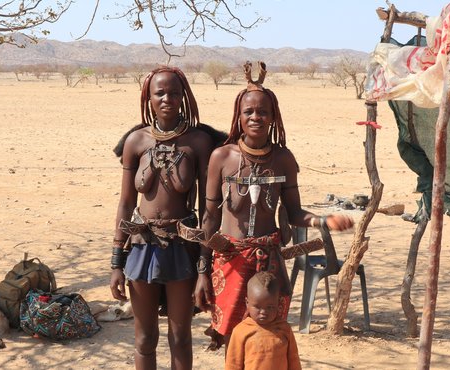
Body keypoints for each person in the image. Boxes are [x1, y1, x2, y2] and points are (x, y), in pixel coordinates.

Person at [194, 61, 354, 350]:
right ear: (238, 117)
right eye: (249, 111)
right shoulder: (221, 157)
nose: (256, 116)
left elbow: (294, 213)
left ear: (273, 116)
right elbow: (209, 218)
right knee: (233, 339)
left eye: (263, 111)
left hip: (269, 263)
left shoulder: (283, 159)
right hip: (229, 260)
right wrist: (202, 270)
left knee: (267, 340)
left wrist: (323, 221)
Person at [109, 66, 216, 370]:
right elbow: (126, 202)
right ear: (149, 97)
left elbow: (210, 209)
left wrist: (204, 264)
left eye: (174, 92)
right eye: (160, 93)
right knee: (144, 338)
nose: (167, 98)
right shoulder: (135, 141)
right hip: (142, 246)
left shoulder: (198, 142)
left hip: (181, 246)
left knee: (181, 336)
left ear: (184, 97)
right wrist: (116, 261)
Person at [225, 271, 302, 370]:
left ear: (278, 304)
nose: (263, 312)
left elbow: (294, 361)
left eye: (270, 307)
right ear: (247, 303)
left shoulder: (284, 329)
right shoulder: (240, 332)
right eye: (257, 307)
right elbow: (233, 364)